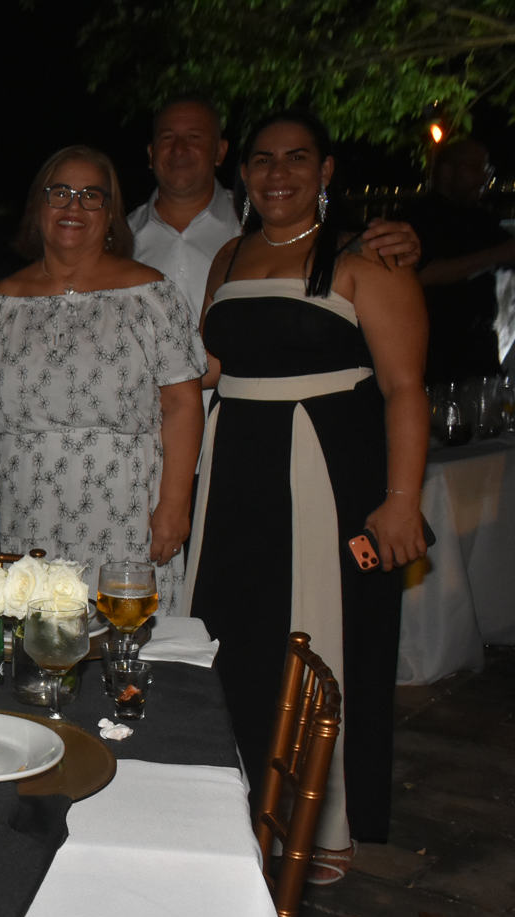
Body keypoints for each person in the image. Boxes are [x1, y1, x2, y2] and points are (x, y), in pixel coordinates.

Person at [186, 111, 429, 871]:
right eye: (263, 159)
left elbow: (405, 386)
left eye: (297, 158)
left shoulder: (365, 258)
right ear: (243, 173)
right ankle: (240, 804)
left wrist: (401, 498)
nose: (278, 172)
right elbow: (209, 367)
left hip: (324, 467)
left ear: (325, 171)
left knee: (320, 634)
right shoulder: (228, 254)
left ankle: (324, 820)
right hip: (233, 471)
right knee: (235, 636)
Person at [0, 147, 205, 611]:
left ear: (111, 213)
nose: (73, 206)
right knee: (32, 636)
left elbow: (183, 404)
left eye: (90, 195)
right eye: (59, 193)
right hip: (21, 508)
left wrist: (174, 507)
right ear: (38, 207)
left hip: (127, 512)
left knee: (123, 641)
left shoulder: (152, 295)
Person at [129, 96, 422, 323]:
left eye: (194, 137)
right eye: (167, 137)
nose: (179, 149)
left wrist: (397, 248)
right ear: (151, 154)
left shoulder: (266, 224)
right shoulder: (117, 240)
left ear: (220, 151)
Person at [399, 138, 515, 384]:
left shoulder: (481, 220)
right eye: (475, 169)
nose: (484, 178)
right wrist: (493, 256)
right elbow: (421, 274)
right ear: (447, 171)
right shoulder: (416, 220)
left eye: (487, 170)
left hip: (480, 350)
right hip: (434, 352)